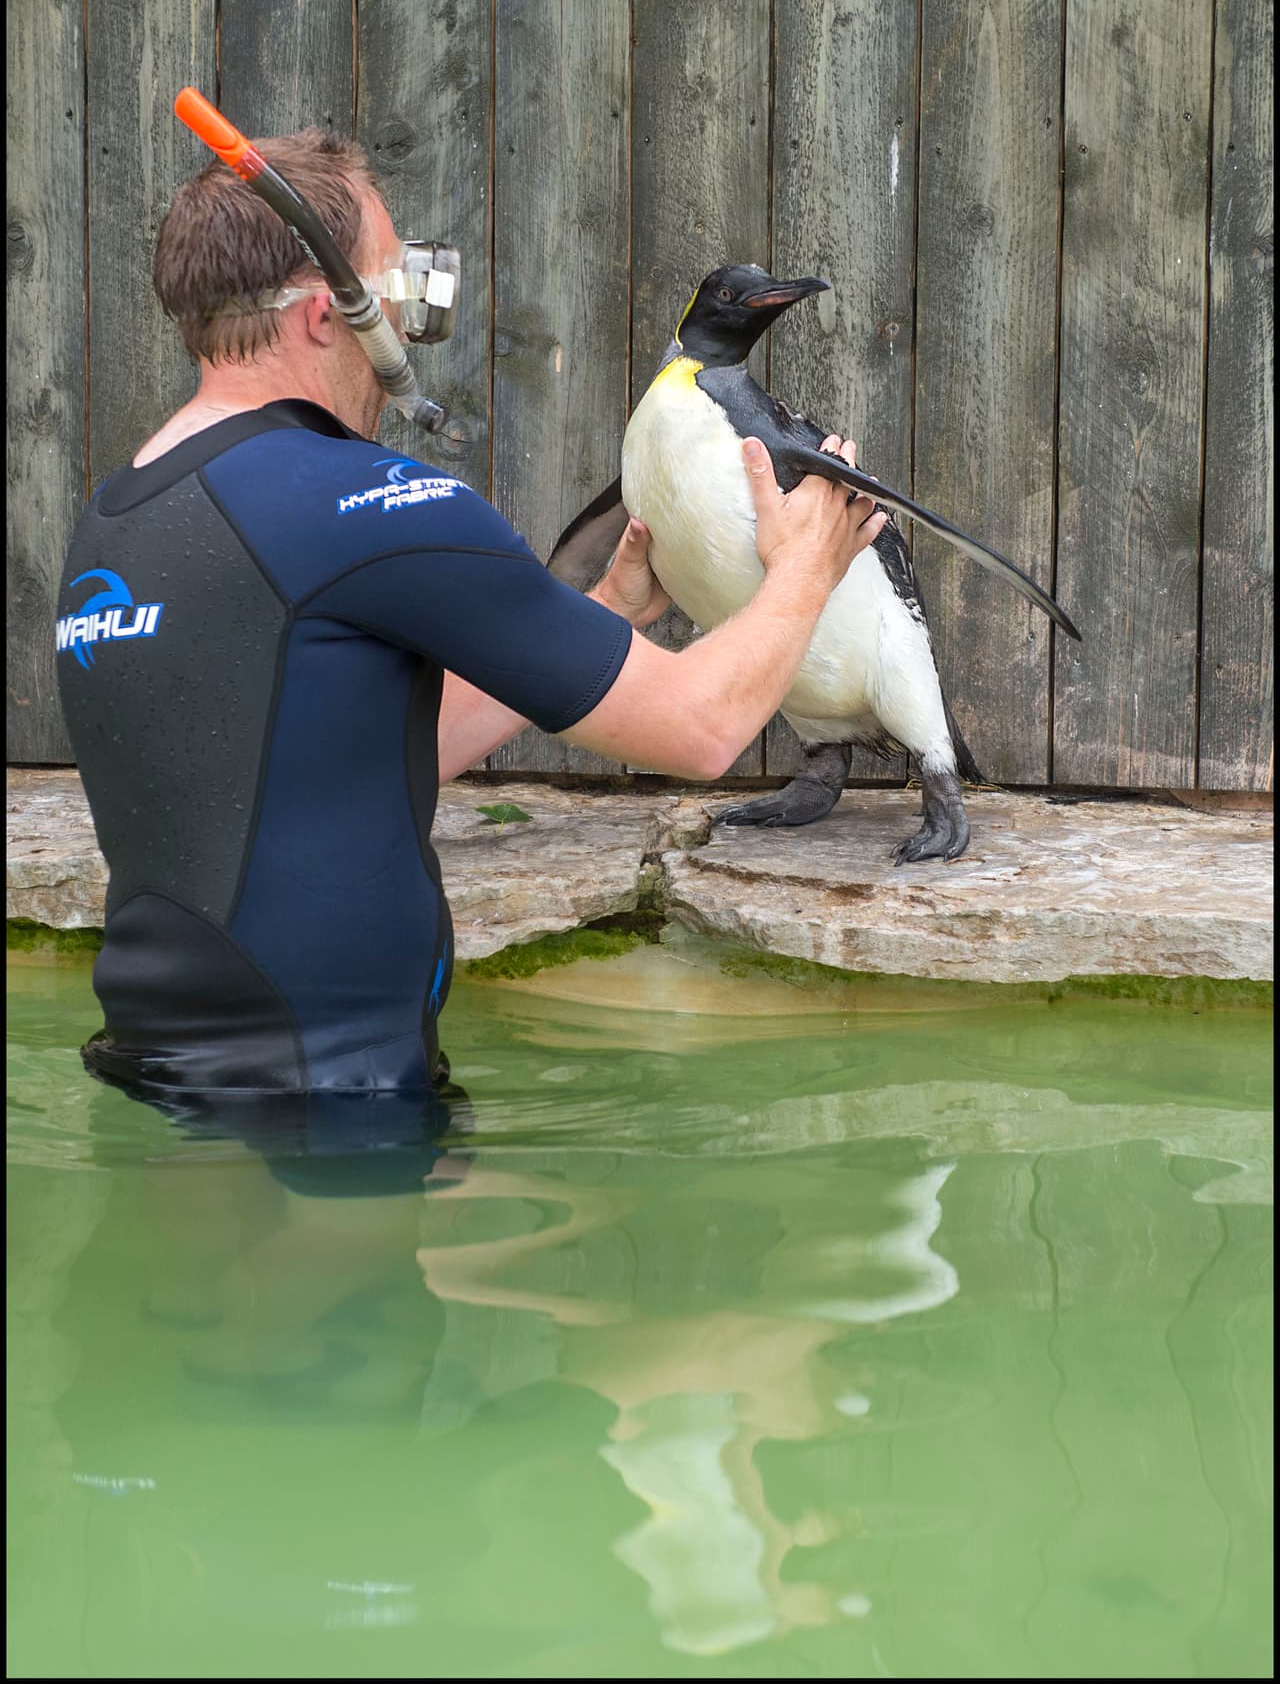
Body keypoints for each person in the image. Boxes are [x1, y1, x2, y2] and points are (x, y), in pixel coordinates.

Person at [55, 126, 886, 1123]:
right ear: (329, 312)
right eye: (397, 278)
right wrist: (805, 564)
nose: (407, 313)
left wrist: (605, 614)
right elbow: (700, 727)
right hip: (328, 1100)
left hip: (159, 1069)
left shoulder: (126, 509)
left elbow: (319, 757)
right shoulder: (368, 499)